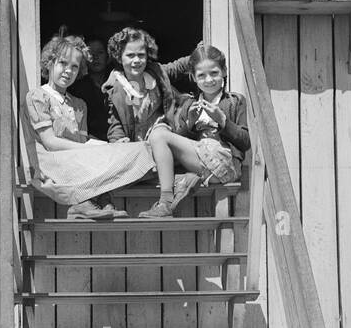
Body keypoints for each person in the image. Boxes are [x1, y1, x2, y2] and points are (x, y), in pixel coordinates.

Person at [24, 34, 154, 220]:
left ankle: (97, 200)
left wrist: (109, 146)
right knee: (106, 158)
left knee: (141, 148)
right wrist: (89, 149)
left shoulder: (79, 104)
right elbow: (50, 142)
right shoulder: (37, 96)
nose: (68, 71)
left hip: (77, 158)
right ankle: (87, 201)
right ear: (50, 63)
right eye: (63, 63)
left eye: (74, 67)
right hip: (52, 163)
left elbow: (83, 140)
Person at [102, 26, 199, 219]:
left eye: (141, 55)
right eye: (130, 55)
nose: (136, 60)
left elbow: (179, 66)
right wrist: (118, 140)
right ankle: (182, 180)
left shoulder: (156, 73)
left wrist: (198, 54)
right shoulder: (114, 87)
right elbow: (114, 123)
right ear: (119, 56)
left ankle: (166, 200)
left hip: (162, 135)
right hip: (136, 143)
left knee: (160, 133)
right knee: (119, 163)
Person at [169, 42, 250, 188]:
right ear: (193, 77)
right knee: (161, 137)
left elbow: (245, 142)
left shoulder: (235, 101)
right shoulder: (189, 105)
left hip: (226, 167)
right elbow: (179, 144)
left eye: (214, 73)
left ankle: (171, 193)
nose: (209, 80)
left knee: (161, 136)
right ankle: (189, 179)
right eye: (201, 75)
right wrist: (190, 125)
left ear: (224, 71)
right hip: (198, 164)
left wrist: (223, 122)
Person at [71, 36, 110, 141]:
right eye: (91, 53)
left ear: (108, 56)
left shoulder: (117, 83)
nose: (95, 57)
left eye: (100, 52)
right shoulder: (77, 88)